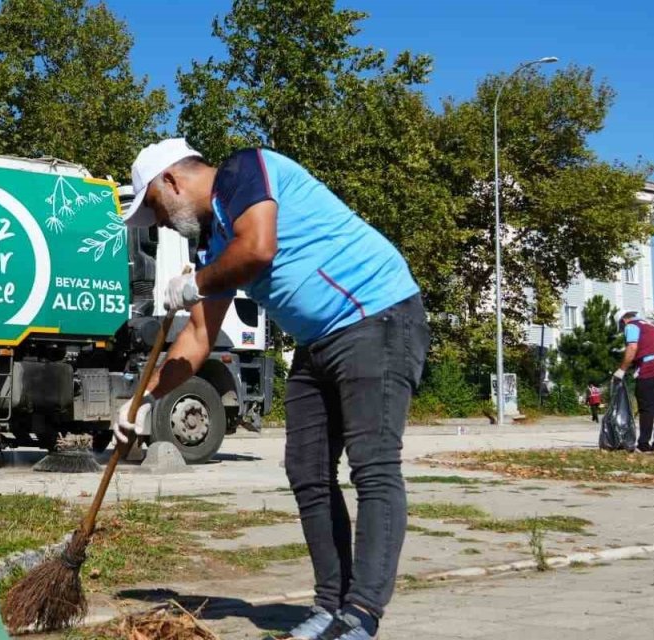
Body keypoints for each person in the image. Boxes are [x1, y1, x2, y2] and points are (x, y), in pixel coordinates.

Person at [115, 139, 429, 640]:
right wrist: (143, 399)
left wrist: (197, 282)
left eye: (154, 208)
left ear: (171, 181)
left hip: (377, 316)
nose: (161, 224)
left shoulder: (244, 171)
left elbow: (259, 249)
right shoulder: (212, 242)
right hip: (318, 340)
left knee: (372, 466)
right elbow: (197, 337)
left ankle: (362, 614)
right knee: (306, 470)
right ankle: (331, 606)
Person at [614, 309, 654, 452]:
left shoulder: (631, 326)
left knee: (646, 407)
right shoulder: (650, 326)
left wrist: (621, 370)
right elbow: (650, 348)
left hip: (650, 369)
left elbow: (632, 348)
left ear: (623, 321)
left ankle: (643, 444)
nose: (622, 330)